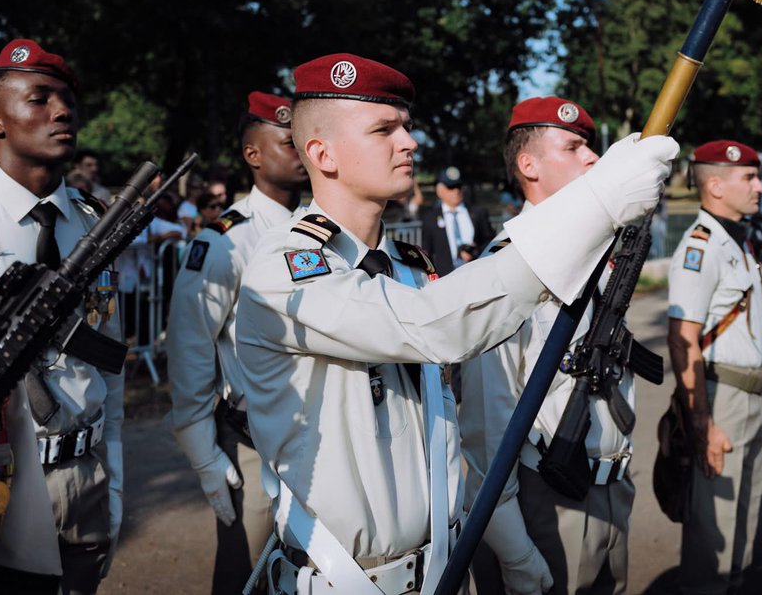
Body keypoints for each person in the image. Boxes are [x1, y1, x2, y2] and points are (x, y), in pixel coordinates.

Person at [232, 53, 676, 595]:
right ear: (323, 154)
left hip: (445, 570)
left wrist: (512, 553)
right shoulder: (283, 267)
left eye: (407, 128)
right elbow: (432, 328)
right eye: (384, 130)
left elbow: (447, 438)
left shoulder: (408, 269)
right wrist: (597, 203)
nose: (410, 143)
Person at [0, 39, 124, 593]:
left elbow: (111, 365)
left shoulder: (94, 222)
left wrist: (114, 478)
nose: (62, 111)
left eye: (66, 100)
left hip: (84, 477)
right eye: (39, 98)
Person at [460, 96, 636, 595]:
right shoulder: (504, 268)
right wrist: (514, 547)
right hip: (549, 493)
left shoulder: (601, 254)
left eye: (590, 146)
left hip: (610, 484)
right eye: (574, 146)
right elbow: (486, 436)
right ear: (529, 165)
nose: (592, 158)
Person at [167, 92, 308, 594]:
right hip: (253, 444)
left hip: (319, 439)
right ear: (253, 155)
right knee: (246, 575)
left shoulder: (323, 232)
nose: (304, 151)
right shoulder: (227, 240)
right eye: (289, 143)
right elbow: (190, 346)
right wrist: (204, 455)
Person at [667, 140, 762, 595]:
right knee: (714, 529)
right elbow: (682, 337)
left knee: (742, 516)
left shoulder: (737, 238)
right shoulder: (701, 246)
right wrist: (702, 423)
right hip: (721, 397)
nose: (760, 186)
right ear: (715, 185)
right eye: (748, 177)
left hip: (751, 393)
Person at [418, 166, 494, 274]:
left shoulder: (479, 213)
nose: (456, 191)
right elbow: (426, 253)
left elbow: (489, 242)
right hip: (446, 279)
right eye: (450, 187)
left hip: (477, 274)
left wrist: (476, 251)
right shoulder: (430, 219)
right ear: (439, 191)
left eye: (458, 186)